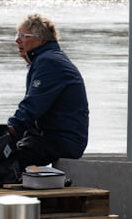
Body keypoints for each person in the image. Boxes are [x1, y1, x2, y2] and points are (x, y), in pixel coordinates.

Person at [8, 13, 89, 169]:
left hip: (62, 141)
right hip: (53, 137)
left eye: (24, 36)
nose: (17, 40)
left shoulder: (49, 62)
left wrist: (9, 131)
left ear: (42, 39)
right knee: (7, 154)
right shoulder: (46, 59)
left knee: (2, 161)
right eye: (17, 35)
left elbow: (32, 106)